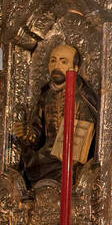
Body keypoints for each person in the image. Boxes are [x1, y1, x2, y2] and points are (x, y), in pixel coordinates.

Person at [13, 42, 99, 193]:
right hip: (46, 159)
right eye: (53, 60)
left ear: (75, 68)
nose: (56, 65)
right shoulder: (45, 95)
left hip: (73, 160)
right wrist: (27, 134)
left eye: (63, 61)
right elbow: (37, 131)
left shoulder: (84, 96)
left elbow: (90, 133)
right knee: (33, 169)